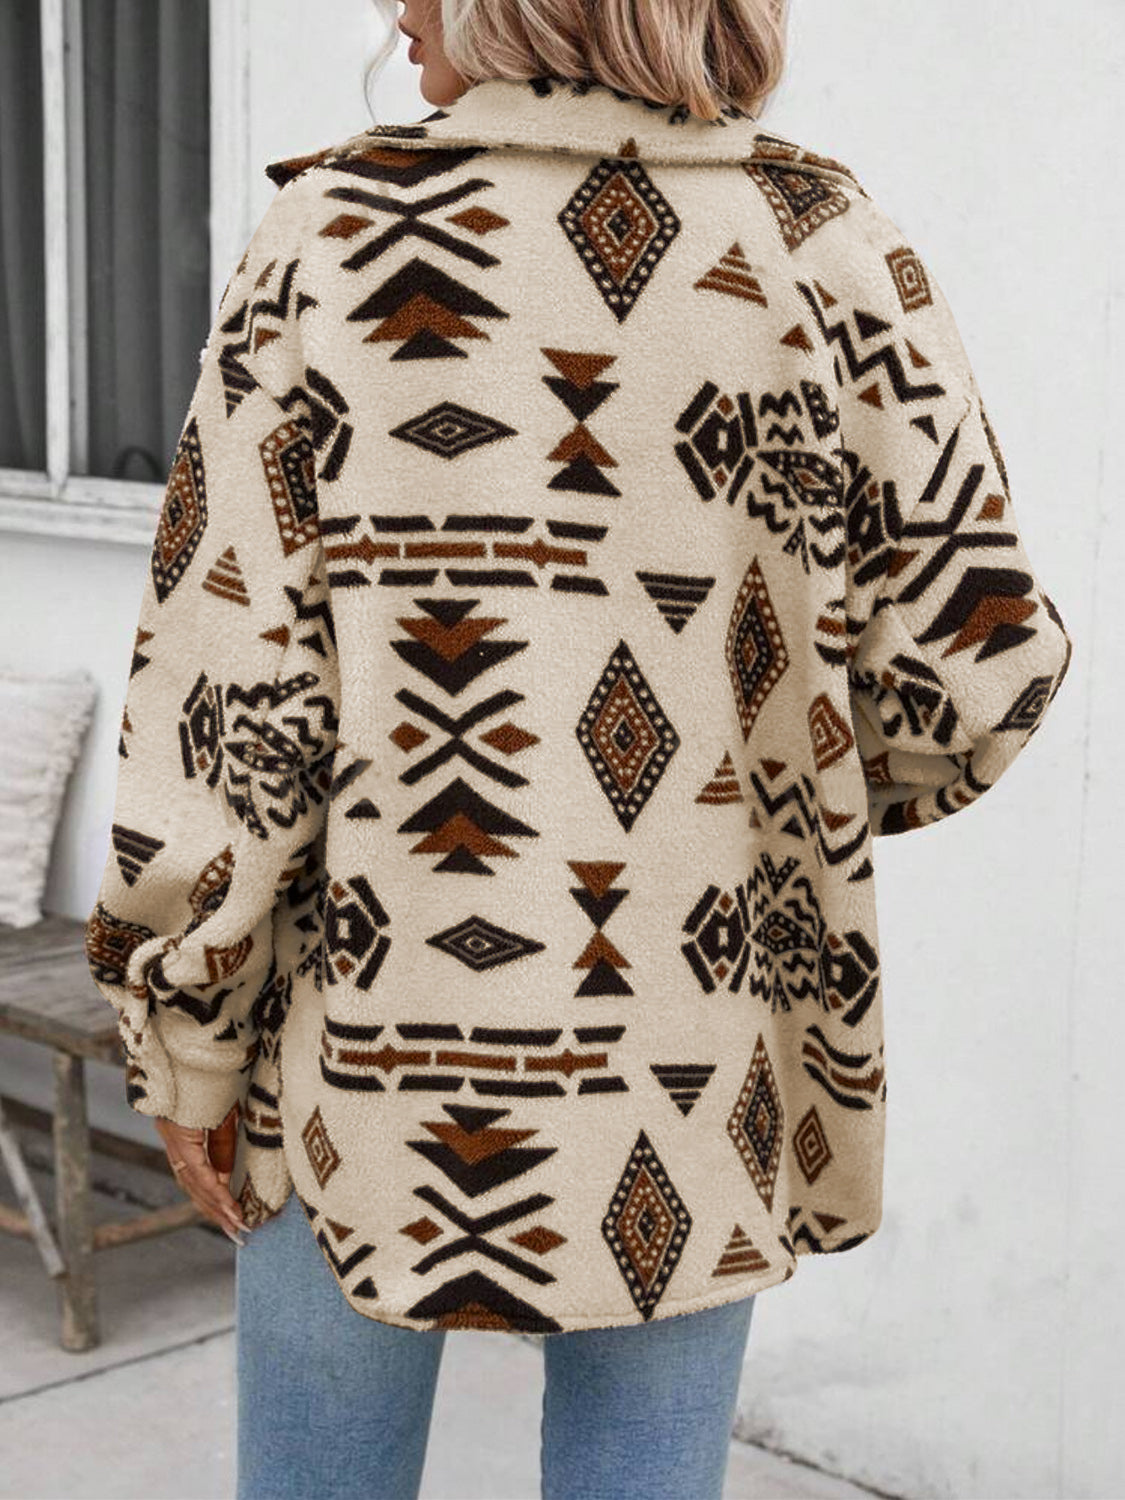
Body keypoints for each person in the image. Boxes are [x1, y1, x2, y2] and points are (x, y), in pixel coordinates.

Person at [83, 1, 1072, 1496]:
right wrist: (758, 790)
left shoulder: (333, 242)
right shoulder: (824, 250)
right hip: (699, 1045)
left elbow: (227, 700)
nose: (394, 9)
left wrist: (188, 1026)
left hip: (357, 1045)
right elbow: (976, 671)